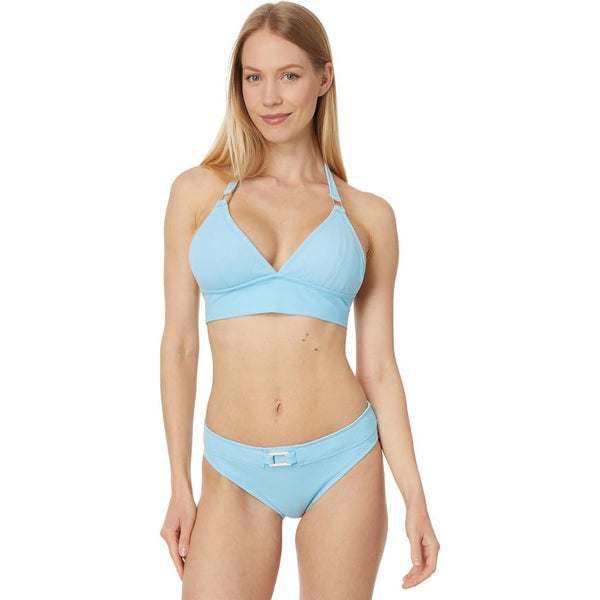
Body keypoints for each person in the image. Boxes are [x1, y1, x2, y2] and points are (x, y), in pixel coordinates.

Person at [159, 2, 439, 598]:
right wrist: (179, 483)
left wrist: (415, 497)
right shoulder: (197, 194)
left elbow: (379, 368)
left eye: (289, 75)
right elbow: (180, 345)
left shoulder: (369, 216)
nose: (269, 97)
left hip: (343, 460)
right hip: (232, 469)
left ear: (324, 78)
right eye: (253, 77)